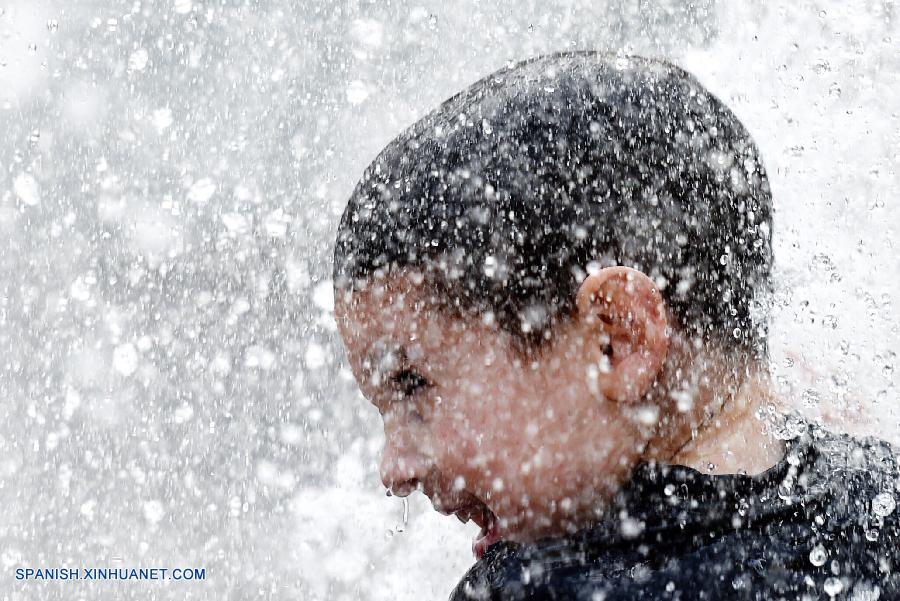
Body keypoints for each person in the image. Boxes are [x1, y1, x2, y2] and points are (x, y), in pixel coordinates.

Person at [331, 51, 900, 600]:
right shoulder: (882, 508)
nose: (395, 468)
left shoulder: (536, 589)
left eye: (413, 385)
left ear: (617, 338)